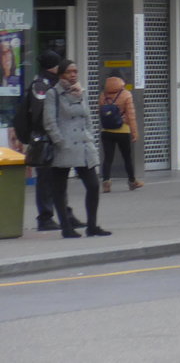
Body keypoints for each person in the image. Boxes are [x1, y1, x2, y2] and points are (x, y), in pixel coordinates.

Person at [41, 60, 110, 238]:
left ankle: (92, 226)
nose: (73, 75)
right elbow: (49, 122)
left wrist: (90, 137)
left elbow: (87, 118)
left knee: (93, 186)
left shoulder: (81, 92)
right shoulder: (53, 94)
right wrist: (60, 141)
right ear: (61, 74)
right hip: (64, 146)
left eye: (75, 71)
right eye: (69, 72)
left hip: (83, 145)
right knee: (60, 189)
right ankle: (66, 227)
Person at [20, 51, 81, 232]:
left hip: (57, 137)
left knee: (58, 178)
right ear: (54, 66)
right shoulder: (41, 84)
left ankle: (66, 214)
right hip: (46, 139)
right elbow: (41, 114)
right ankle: (45, 217)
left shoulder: (55, 83)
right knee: (46, 179)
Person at [98, 74, 145, 192]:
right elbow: (131, 115)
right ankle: (132, 181)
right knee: (127, 157)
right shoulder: (126, 94)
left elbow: (100, 112)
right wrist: (134, 132)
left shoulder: (103, 95)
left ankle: (106, 181)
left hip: (106, 130)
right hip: (123, 130)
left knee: (108, 158)